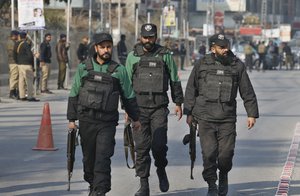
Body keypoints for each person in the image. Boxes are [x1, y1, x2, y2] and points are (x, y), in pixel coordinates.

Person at [184, 33, 259, 196]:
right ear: (213, 48)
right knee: (209, 153)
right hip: (205, 117)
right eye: (221, 47)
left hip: (227, 118)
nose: (225, 50)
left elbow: (247, 90)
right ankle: (212, 184)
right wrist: (188, 112)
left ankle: (223, 174)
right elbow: (191, 88)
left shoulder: (236, 65)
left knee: (226, 155)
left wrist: (251, 113)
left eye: (227, 46)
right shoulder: (201, 64)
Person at [67, 32, 141, 196]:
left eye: (108, 47)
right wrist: (71, 119)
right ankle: (93, 184)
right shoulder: (84, 68)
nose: (106, 50)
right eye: (102, 47)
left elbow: (128, 96)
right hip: (86, 120)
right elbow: (74, 94)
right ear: (96, 48)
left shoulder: (119, 70)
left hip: (107, 124)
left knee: (103, 157)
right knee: (88, 159)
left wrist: (136, 118)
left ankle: (100, 191)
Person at [125, 23, 184, 196]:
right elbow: (126, 85)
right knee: (141, 148)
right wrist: (127, 110)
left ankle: (161, 169)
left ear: (156, 37)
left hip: (159, 107)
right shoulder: (132, 57)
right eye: (145, 37)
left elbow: (174, 79)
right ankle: (144, 185)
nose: (148, 40)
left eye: (151, 37)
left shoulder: (165, 55)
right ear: (140, 37)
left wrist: (178, 103)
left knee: (158, 146)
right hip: (138, 110)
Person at [13, 31, 39, 102]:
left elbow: (14, 55)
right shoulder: (26, 44)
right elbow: (30, 55)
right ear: (26, 36)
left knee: (21, 81)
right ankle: (30, 96)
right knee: (29, 80)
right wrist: (32, 65)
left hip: (19, 64)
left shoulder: (16, 44)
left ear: (19, 36)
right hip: (27, 64)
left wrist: (18, 62)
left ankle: (22, 96)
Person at [6, 30, 19, 99]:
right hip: (13, 62)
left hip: (14, 61)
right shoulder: (11, 43)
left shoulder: (14, 42)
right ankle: (12, 92)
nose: (18, 37)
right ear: (14, 36)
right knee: (14, 76)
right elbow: (12, 53)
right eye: (17, 35)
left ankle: (14, 91)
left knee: (15, 76)